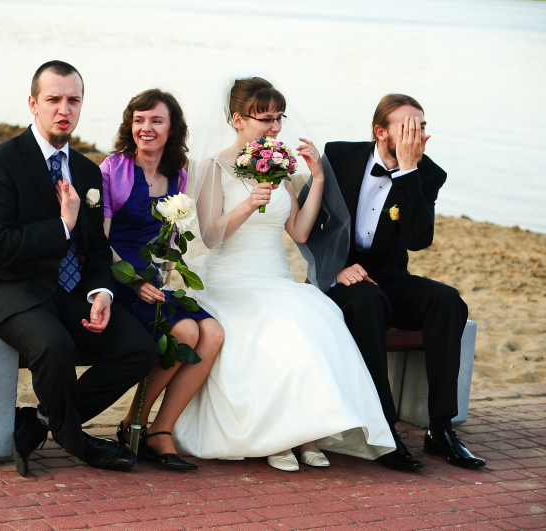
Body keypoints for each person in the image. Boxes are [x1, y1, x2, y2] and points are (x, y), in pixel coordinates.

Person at [172, 77, 395, 472]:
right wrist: (247, 205)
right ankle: (278, 438)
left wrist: (318, 178)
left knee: (316, 321)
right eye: (266, 119)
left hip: (276, 278)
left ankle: (304, 434)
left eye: (279, 118)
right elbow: (209, 235)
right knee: (274, 333)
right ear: (238, 119)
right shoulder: (214, 168)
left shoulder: (277, 165)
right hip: (232, 280)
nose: (275, 128)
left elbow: (299, 231)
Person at [0, 60, 157, 476]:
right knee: (56, 347)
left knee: (139, 348)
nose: (64, 109)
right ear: (33, 104)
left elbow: (97, 249)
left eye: (73, 100)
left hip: (68, 291)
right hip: (7, 288)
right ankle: (78, 443)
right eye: (53, 99)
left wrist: (102, 292)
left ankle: (40, 420)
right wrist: (63, 225)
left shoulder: (86, 170)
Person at [306, 93, 486, 470]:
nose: (415, 135)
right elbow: (307, 226)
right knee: (368, 303)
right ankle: (384, 428)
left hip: (389, 276)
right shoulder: (339, 156)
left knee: (447, 301)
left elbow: (418, 240)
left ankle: (440, 428)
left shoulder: (429, 174)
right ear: (380, 132)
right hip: (341, 276)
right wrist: (335, 269)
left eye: (421, 127)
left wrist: (407, 172)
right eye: (406, 128)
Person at [100, 89, 224, 470]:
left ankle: (160, 428)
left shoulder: (178, 174)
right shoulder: (113, 169)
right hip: (120, 278)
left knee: (213, 333)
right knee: (185, 332)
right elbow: (100, 241)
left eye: (156, 120)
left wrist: (169, 274)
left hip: (155, 281)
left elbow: (171, 237)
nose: (146, 128)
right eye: (139, 120)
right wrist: (134, 281)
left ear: (172, 129)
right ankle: (134, 423)